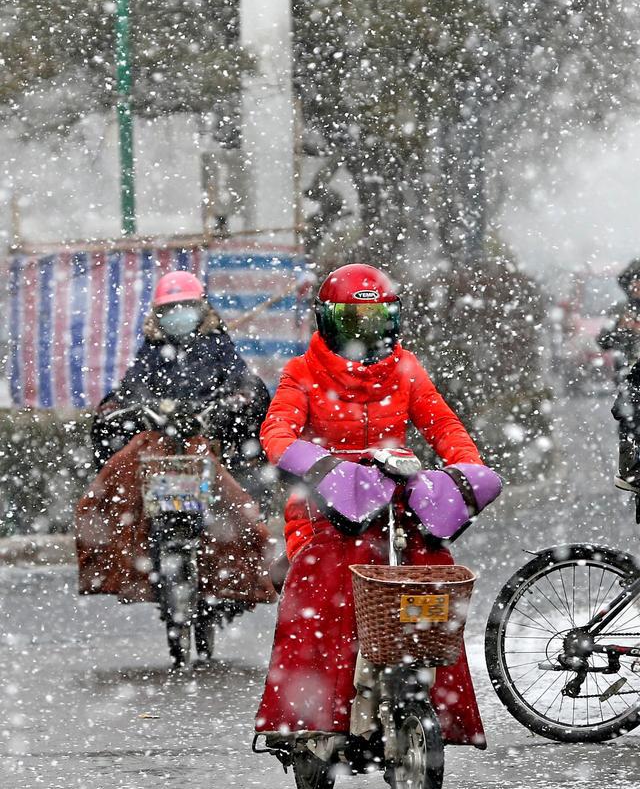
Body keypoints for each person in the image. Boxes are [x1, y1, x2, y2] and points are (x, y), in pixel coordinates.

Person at [254, 263, 502, 763]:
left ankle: (432, 698)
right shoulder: (301, 372)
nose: (366, 333)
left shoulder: (406, 368)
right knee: (327, 581)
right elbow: (276, 433)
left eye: (378, 320)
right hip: (324, 507)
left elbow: (443, 426)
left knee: (431, 572)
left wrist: (465, 471)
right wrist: (320, 466)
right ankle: (310, 715)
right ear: (327, 321)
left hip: (398, 501)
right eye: (353, 321)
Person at [91, 271, 271, 492]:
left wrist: (225, 403)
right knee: (107, 413)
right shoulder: (153, 347)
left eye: (185, 307)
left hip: (210, 424)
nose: (177, 315)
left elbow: (238, 377)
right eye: (169, 310)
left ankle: (250, 483)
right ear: (158, 314)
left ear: (201, 308)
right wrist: (142, 404)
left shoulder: (217, 342)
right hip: (159, 424)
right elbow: (134, 383)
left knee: (256, 398)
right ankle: (114, 488)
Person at [597, 259, 640, 384]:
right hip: (627, 379)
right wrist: (620, 328)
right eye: (633, 280)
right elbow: (602, 341)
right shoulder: (620, 310)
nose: (636, 284)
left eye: (639, 279)